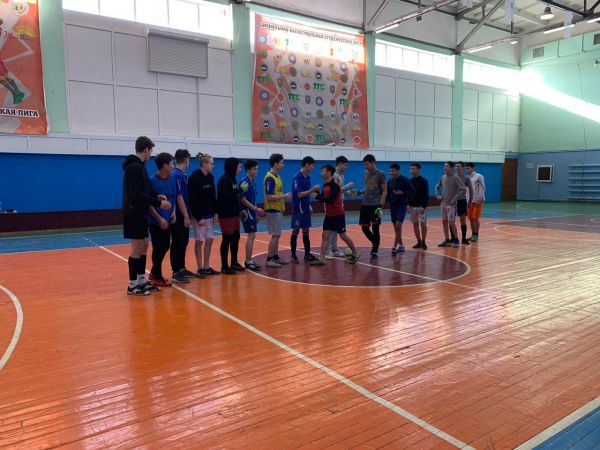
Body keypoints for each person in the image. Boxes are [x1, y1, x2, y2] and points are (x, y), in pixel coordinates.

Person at [122, 136, 170, 296]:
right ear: (145, 150)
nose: (151, 154)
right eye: (150, 150)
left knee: (144, 246)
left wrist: (157, 196)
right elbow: (136, 194)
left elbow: (145, 191)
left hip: (140, 212)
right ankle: (132, 285)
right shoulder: (133, 168)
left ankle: (141, 280)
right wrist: (157, 203)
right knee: (137, 248)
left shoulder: (140, 167)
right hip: (134, 213)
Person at [311, 164, 360, 266]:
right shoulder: (325, 185)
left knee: (343, 235)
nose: (321, 173)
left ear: (329, 173)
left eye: (323, 171)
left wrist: (317, 197)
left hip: (338, 214)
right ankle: (322, 258)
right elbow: (323, 198)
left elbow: (330, 200)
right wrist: (317, 193)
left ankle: (355, 252)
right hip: (329, 215)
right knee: (325, 235)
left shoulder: (335, 186)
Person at [148, 153, 178, 286]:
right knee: (158, 247)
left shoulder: (171, 178)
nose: (173, 166)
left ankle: (153, 272)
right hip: (155, 221)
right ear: (165, 165)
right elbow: (149, 203)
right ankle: (157, 276)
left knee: (165, 246)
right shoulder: (152, 181)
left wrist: (174, 212)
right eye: (172, 163)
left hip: (168, 220)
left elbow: (173, 197)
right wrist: (159, 219)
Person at [188, 153, 219, 278]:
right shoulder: (194, 178)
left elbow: (213, 195)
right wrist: (198, 217)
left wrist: (216, 212)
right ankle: (200, 268)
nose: (213, 166)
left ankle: (206, 267)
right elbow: (192, 200)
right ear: (204, 164)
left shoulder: (210, 177)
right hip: (200, 216)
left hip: (209, 214)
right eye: (211, 163)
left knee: (210, 240)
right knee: (199, 241)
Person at [217, 157, 244, 275]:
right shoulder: (224, 180)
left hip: (234, 214)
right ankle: (224, 266)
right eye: (239, 167)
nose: (240, 169)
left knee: (236, 237)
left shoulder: (233, 179)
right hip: (226, 214)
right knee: (227, 239)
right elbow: (226, 197)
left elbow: (235, 197)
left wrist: (240, 210)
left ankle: (234, 262)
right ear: (233, 167)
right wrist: (239, 190)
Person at [170, 149, 194, 283]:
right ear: (186, 161)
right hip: (179, 215)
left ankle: (181, 268)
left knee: (184, 241)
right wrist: (186, 216)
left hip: (183, 213)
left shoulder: (182, 175)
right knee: (178, 242)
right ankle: (176, 272)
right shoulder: (177, 175)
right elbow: (178, 197)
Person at [264, 153, 292, 267]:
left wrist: (284, 195)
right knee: (275, 235)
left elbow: (277, 194)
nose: (283, 165)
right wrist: (284, 196)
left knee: (277, 235)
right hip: (273, 210)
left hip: (278, 209)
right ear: (275, 164)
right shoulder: (270, 178)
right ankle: (269, 259)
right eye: (281, 163)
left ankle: (275, 257)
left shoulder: (277, 177)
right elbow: (269, 196)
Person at [290, 156, 320, 263]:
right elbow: (299, 195)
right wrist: (312, 190)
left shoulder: (307, 177)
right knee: (296, 230)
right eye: (312, 166)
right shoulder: (297, 177)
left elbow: (307, 194)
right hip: (298, 209)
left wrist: (309, 205)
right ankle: (293, 255)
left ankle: (307, 254)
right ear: (307, 165)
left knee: (306, 231)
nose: (313, 168)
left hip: (305, 208)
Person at [358, 154, 387, 261]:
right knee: (364, 228)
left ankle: (374, 251)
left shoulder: (381, 174)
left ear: (373, 162)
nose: (366, 166)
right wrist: (360, 192)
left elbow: (384, 190)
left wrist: (380, 206)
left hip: (376, 205)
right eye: (364, 164)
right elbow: (367, 187)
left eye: (367, 164)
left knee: (375, 229)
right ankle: (375, 243)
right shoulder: (365, 173)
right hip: (365, 204)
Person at [326, 155, 355, 259]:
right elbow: (335, 190)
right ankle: (327, 251)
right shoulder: (334, 175)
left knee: (335, 229)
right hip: (333, 205)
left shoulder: (341, 175)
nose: (346, 167)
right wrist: (347, 186)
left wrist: (349, 193)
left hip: (339, 204)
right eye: (345, 165)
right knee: (330, 229)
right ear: (340, 164)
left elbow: (340, 190)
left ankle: (334, 248)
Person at [239, 159, 266, 270]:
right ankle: (248, 261)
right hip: (247, 212)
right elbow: (243, 199)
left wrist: (256, 212)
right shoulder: (244, 182)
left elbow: (253, 198)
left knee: (252, 235)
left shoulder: (253, 182)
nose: (256, 171)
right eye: (255, 169)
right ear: (248, 170)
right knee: (251, 235)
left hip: (252, 212)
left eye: (257, 169)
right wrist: (255, 209)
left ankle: (249, 260)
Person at [435, 162, 466, 248]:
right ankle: (447, 240)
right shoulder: (443, 177)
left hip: (452, 205)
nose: (445, 168)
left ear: (452, 168)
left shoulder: (456, 178)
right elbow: (437, 186)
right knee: (444, 222)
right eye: (444, 166)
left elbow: (463, 189)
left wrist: (455, 198)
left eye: (447, 166)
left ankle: (456, 240)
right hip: (443, 204)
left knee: (451, 222)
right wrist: (437, 195)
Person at [387, 163, 413, 255]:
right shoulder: (390, 181)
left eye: (393, 171)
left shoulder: (405, 180)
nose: (391, 173)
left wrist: (403, 193)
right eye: (390, 171)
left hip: (402, 205)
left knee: (398, 225)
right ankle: (401, 245)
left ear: (398, 171)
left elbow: (411, 191)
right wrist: (383, 204)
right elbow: (388, 193)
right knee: (396, 227)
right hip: (393, 206)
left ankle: (394, 247)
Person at [407, 163, 429, 250]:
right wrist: (407, 204)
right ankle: (419, 241)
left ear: (419, 169)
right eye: (410, 169)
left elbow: (426, 194)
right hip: (412, 207)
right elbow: (408, 194)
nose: (411, 170)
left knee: (423, 224)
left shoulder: (424, 181)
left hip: (421, 207)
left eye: (413, 169)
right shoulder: (409, 181)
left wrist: (424, 206)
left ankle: (423, 242)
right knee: (415, 224)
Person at [455, 161, 474, 245]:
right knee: (451, 221)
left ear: (462, 168)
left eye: (459, 166)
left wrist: (470, 202)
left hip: (462, 201)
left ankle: (463, 239)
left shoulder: (466, 178)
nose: (457, 168)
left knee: (463, 220)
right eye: (456, 166)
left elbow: (471, 190)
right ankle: (454, 239)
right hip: (453, 202)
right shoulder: (452, 177)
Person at [466, 162, 486, 242]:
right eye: (466, 169)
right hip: (470, 201)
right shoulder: (467, 178)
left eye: (468, 168)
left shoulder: (479, 176)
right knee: (471, 218)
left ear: (472, 168)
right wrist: (467, 200)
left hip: (478, 201)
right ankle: (473, 235)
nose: (467, 170)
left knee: (475, 218)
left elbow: (482, 188)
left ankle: (476, 235)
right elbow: (467, 190)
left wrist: (479, 199)